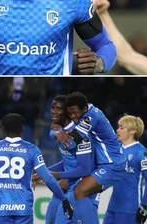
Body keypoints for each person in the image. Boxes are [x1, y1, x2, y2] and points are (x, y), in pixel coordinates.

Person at [0, 113, 73, 224]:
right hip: (24, 209)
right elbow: (47, 178)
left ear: (4, 129)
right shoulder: (31, 149)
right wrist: (63, 198)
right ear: (22, 129)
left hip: (2, 209)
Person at [50, 92, 126, 223]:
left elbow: (71, 143)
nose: (73, 117)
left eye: (75, 113)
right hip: (104, 164)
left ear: (84, 109)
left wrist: (58, 134)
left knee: (79, 191)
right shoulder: (87, 110)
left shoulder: (90, 117)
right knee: (75, 192)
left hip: (113, 164)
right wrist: (56, 133)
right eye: (70, 114)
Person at [33, 95, 101, 223]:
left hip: (82, 192)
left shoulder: (78, 136)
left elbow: (85, 169)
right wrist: (44, 172)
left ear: (67, 113)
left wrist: (57, 175)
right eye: (52, 108)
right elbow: (69, 160)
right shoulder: (62, 133)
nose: (53, 111)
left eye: (58, 109)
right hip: (70, 191)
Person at [103, 115, 147, 224]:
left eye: (121, 127)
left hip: (130, 208)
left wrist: (144, 205)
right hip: (113, 206)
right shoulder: (116, 150)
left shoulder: (141, 152)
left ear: (132, 131)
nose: (117, 130)